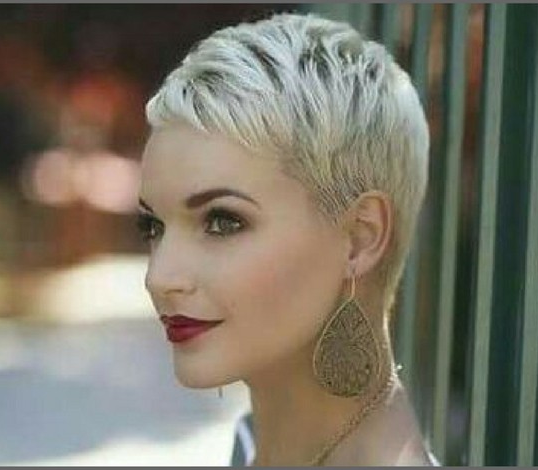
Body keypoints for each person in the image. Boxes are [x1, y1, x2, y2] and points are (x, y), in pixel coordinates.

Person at [137, 11, 437, 466]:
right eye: (153, 226)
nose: (159, 277)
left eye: (222, 222)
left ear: (360, 238)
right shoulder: (251, 442)